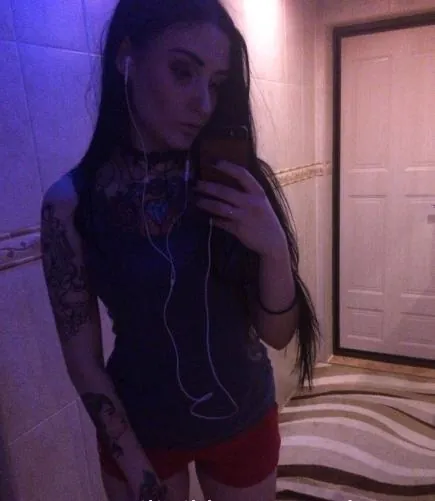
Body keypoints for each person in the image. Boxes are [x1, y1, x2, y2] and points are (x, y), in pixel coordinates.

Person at [40, 1, 320, 500]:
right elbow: (84, 362)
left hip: (243, 419)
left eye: (216, 83)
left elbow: (278, 335)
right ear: (127, 57)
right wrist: (140, 475)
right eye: (183, 72)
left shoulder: (231, 182)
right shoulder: (72, 204)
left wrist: (274, 249)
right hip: (139, 432)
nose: (204, 104)